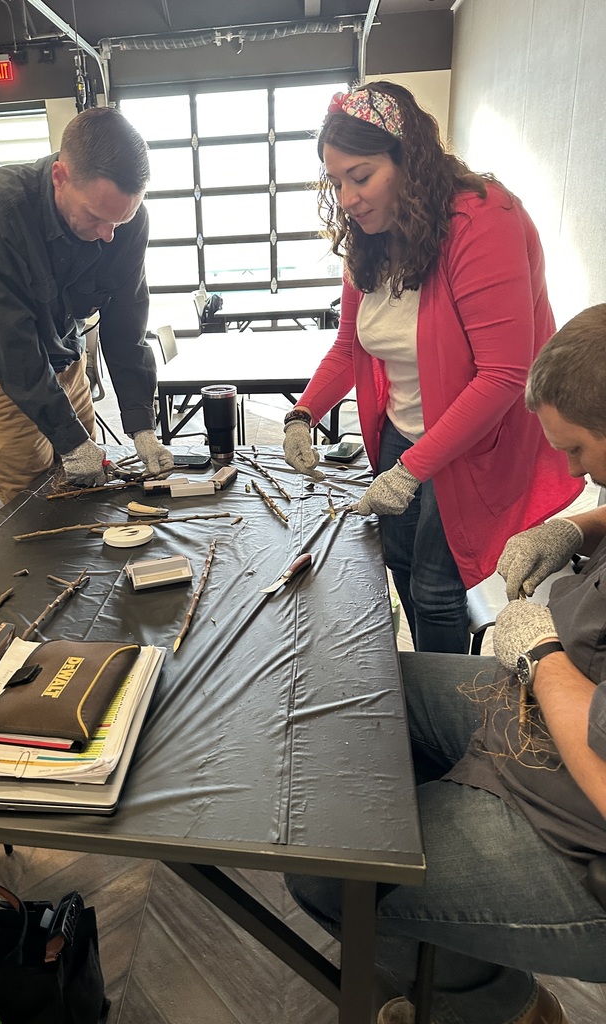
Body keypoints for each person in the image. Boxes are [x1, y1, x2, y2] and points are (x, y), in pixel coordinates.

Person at [286, 304, 606, 1024]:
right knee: (366, 692)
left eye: (580, 452)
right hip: (535, 716)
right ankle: (450, 950)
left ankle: (506, 1005)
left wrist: (542, 651)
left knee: (326, 875)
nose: (570, 468)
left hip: (574, 815)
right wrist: (576, 526)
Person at [282, 82, 581, 654]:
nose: (346, 197)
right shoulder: (369, 236)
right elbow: (351, 346)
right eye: (336, 180)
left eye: (361, 176)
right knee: (397, 559)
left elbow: (503, 373)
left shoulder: (481, 218)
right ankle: (420, 674)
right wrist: (302, 414)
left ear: (408, 159)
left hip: (473, 434)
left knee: (439, 585)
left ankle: (439, 713)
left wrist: (412, 470)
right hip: (403, 426)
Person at [0, 106, 173, 504]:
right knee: (31, 506)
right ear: (60, 177)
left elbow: (127, 323)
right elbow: (13, 340)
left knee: (87, 498)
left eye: (119, 222)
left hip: (68, 363)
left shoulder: (126, 220)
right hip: (5, 375)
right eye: (95, 217)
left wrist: (142, 425)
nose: (109, 236)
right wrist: (71, 440)